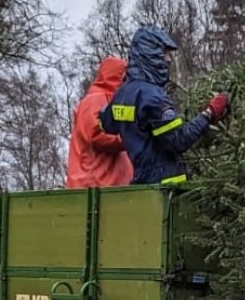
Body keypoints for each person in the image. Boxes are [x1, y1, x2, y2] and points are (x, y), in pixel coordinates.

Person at [98, 26, 229, 185]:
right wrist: (209, 113)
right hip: (166, 187)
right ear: (149, 53)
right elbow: (178, 140)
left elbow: (105, 124)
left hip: (142, 182)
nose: (168, 59)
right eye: (164, 53)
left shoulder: (123, 93)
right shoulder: (152, 97)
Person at [66, 55, 133, 188]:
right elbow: (96, 135)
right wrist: (132, 137)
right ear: (117, 77)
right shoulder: (95, 100)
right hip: (96, 185)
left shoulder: (110, 100)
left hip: (108, 185)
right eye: (125, 78)